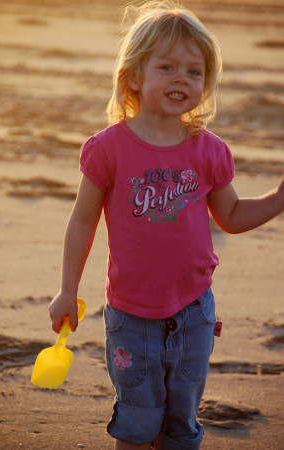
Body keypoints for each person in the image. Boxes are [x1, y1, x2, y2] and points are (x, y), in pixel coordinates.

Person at [49, 1, 284, 449]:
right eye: (168, 67)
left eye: (195, 72)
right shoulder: (108, 149)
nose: (182, 78)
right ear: (134, 76)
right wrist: (66, 288)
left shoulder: (208, 150)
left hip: (195, 310)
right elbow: (81, 221)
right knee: (137, 423)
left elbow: (231, 216)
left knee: (181, 422)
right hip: (131, 315)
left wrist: (277, 199)